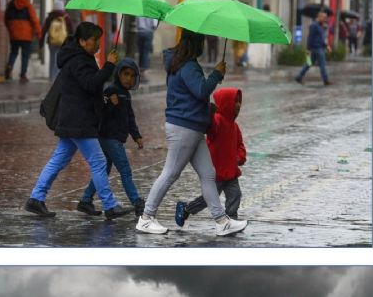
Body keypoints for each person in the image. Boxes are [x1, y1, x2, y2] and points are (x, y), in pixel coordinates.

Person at [136, 29, 248, 236]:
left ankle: (221, 221)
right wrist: (216, 74)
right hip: (184, 127)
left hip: (192, 127)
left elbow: (194, 94)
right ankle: (146, 217)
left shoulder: (182, 64)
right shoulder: (188, 66)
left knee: (208, 174)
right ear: (197, 44)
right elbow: (201, 91)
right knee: (171, 173)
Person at [24, 22, 134, 219]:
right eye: (94, 41)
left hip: (74, 119)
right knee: (99, 161)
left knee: (59, 159)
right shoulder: (79, 60)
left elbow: (88, 88)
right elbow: (90, 84)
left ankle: (36, 198)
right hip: (79, 120)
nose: (98, 45)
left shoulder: (81, 57)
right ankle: (110, 205)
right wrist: (109, 65)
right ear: (82, 41)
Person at [77, 58, 146, 217]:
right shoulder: (111, 90)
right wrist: (110, 104)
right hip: (109, 138)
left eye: (132, 76)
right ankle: (137, 202)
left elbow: (130, 117)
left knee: (103, 170)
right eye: (125, 74)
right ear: (118, 74)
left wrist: (136, 135)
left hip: (115, 139)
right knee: (125, 170)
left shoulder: (126, 95)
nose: (128, 79)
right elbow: (101, 113)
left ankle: (86, 200)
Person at [175, 87, 246, 225]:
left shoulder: (234, 126)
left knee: (235, 195)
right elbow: (211, 129)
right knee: (208, 199)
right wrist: (210, 115)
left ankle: (232, 219)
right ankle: (186, 209)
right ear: (226, 103)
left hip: (231, 172)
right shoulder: (218, 120)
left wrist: (240, 157)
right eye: (235, 101)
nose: (238, 105)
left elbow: (240, 145)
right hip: (216, 171)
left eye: (239, 102)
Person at [4, 0, 42, 83]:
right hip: (26, 35)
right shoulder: (28, 5)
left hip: (14, 35)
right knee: (25, 55)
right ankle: (23, 75)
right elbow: (34, 20)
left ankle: (9, 66)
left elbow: (6, 19)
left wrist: (10, 29)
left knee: (14, 52)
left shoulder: (10, 5)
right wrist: (39, 34)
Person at [295, 11, 332, 86]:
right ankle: (326, 80)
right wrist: (308, 49)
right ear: (319, 17)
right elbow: (310, 37)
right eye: (324, 17)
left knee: (308, 63)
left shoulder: (320, 26)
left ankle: (299, 77)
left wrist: (326, 46)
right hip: (317, 48)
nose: (325, 19)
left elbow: (321, 38)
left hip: (319, 47)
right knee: (322, 64)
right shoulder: (314, 26)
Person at [41, 0, 74, 81]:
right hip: (63, 41)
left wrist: (41, 41)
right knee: (60, 59)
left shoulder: (50, 17)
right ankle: (57, 77)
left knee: (52, 59)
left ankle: (51, 77)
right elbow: (71, 30)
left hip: (51, 41)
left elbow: (44, 29)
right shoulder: (66, 17)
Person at [136, 16, 156, 83]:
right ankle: (143, 72)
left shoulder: (139, 11)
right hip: (148, 32)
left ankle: (140, 69)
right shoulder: (151, 11)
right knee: (146, 52)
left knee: (141, 52)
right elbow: (154, 24)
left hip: (140, 32)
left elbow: (137, 22)